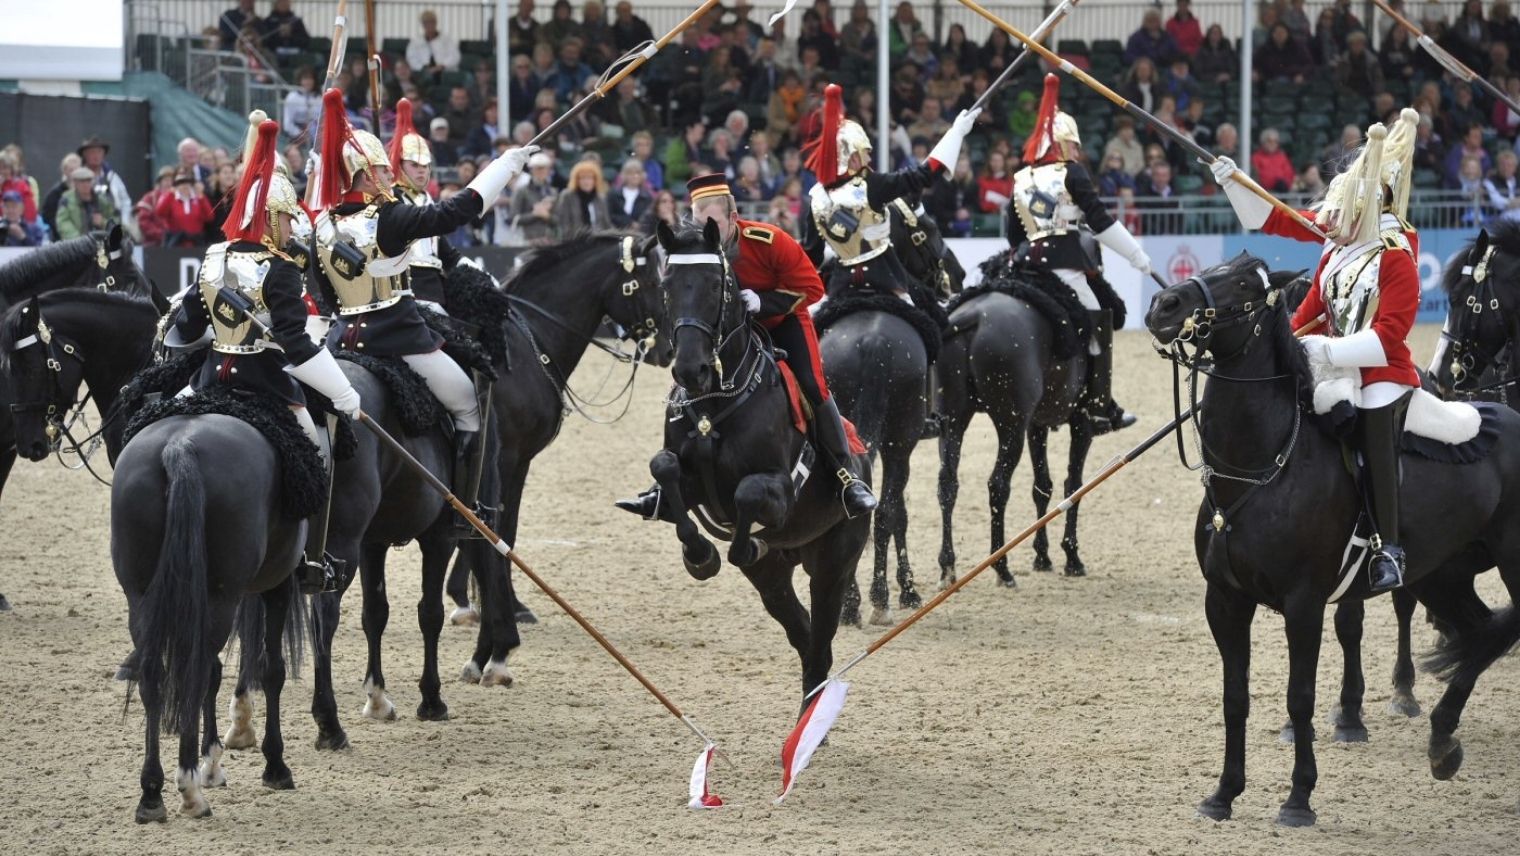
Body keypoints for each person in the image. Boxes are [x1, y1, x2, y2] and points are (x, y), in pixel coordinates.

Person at [1209, 109, 1422, 593]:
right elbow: (1278, 220)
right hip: (1328, 358)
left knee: (1372, 426)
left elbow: (1389, 337)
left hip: (1381, 370)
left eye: (1339, 207)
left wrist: (1325, 350)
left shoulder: (1396, 256)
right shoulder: (1339, 244)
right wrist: (1232, 182)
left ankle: (1389, 546)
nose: (1327, 216)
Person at [312, 89, 534, 526]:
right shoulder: (390, 218)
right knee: (470, 403)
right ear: (370, 173)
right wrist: (502, 168)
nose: (387, 177)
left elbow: (327, 295)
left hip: (345, 339)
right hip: (398, 334)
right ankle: (472, 509)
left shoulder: (323, 225)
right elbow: (456, 211)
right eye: (381, 170)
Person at [616, 172, 878, 521]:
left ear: (734, 219)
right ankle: (665, 488)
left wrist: (763, 301)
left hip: (781, 319)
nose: (705, 231)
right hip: (723, 330)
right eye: (698, 222)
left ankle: (846, 478)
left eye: (712, 224)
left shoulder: (769, 240)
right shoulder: (692, 247)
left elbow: (812, 289)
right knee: (686, 384)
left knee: (812, 385)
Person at [168, 119, 361, 592]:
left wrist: (194, 307)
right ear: (271, 219)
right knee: (317, 456)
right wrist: (343, 391)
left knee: (159, 419)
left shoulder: (213, 258)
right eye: (288, 217)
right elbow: (297, 346)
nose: (294, 224)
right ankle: (310, 560)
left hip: (210, 379)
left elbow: (188, 328)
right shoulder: (279, 269)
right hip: (266, 384)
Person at [799, 83, 979, 440]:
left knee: (809, 340)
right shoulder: (872, 186)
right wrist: (956, 132)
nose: (866, 159)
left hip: (840, 284)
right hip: (888, 278)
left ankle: (810, 406)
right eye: (862, 153)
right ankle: (928, 408)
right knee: (933, 326)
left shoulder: (816, 198)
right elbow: (925, 174)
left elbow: (810, 255)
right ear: (849, 156)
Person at [1006, 74, 1152, 436]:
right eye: (1073, 145)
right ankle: (1101, 406)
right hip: (1065, 267)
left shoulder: (1020, 178)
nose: (1077, 152)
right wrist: (1135, 254)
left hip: (1026, 266)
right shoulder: (1072, 172)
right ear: (1062, 144)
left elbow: (1013, 233)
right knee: (1097, 323)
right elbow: (1100, 221)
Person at [77, 136, 135, 240]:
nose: (96, 156)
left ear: (104, 154)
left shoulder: (112, 177)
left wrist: (125, 223)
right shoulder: (77, 178)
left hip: (112, 228)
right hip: (84, 232)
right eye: (92, 152)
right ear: (84, 155)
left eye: (99, 152)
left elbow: (125, 201)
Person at [508, 151, 560, 244]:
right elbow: (513, 218)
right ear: (531, 170)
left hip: (550, 240)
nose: (541, 171)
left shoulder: (553, 192)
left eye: (543, 168)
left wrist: (547, 216)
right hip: (528, 241)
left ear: (548, 170)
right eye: (537, 168)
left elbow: (559, 219)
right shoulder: (521, 191)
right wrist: (535, 214)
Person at [55, 166, 119, 240]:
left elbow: (116, 223)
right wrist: (78, 239)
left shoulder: (102, 200)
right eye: (82, 181)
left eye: (88, 181)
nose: (85, 184)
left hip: (99, 243)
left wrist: (103, 222)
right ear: (75, 183)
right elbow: (62, 222)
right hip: (75, 244)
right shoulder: (67, 199)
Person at [155, 171, 216, 247]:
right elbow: (160, 213)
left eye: (187, 182)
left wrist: (201, 197)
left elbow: (209, 217)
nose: (184, 185)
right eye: (180, 182)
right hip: (176, 243)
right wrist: (170, 194)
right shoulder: (170, 197)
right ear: (175, 185)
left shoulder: (199, 198)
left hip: (196, 243)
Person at [554, 159, 611, 232]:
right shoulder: (567, 196)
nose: (586, 182)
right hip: (575, 239)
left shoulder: (600, 198)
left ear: (595, 180)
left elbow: (606, 224)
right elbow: (563, 223)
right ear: (576, 180)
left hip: (598, 240)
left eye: (590, 178)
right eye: (582, 178)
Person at [406, 10, 461, 79]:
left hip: (444, 72)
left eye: (432, 22)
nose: (429, 25)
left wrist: (441, 66)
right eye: (426, 23)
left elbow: (455, 56)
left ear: (436, 23)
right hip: (424, 73)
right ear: (422, 25)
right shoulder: (415, 42)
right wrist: (423, 68)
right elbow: (411, 58)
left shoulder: (447, 40)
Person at [608, 159, 654, 230]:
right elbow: (609, 215)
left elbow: (648, 219)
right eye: (630, 173)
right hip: (616, 232)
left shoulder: (647, 197)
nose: (635, 176)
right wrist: (629, 223)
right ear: (624, 175)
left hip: (639, 235)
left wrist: (639, 225)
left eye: (638, 173)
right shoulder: (613, 194)